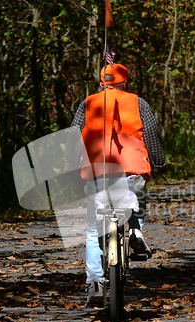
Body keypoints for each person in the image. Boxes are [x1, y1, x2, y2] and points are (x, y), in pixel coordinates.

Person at [69, 63, 166, 305]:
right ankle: (135, 230)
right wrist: (159, 162)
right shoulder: (138, 103)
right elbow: (151, 134)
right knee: (136, 197)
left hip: (96, 173)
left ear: (101, 83)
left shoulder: (87, 104)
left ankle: (94, 282)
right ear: (125, 82)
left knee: (94, 229)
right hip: (132, 169)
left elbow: (72, 136)